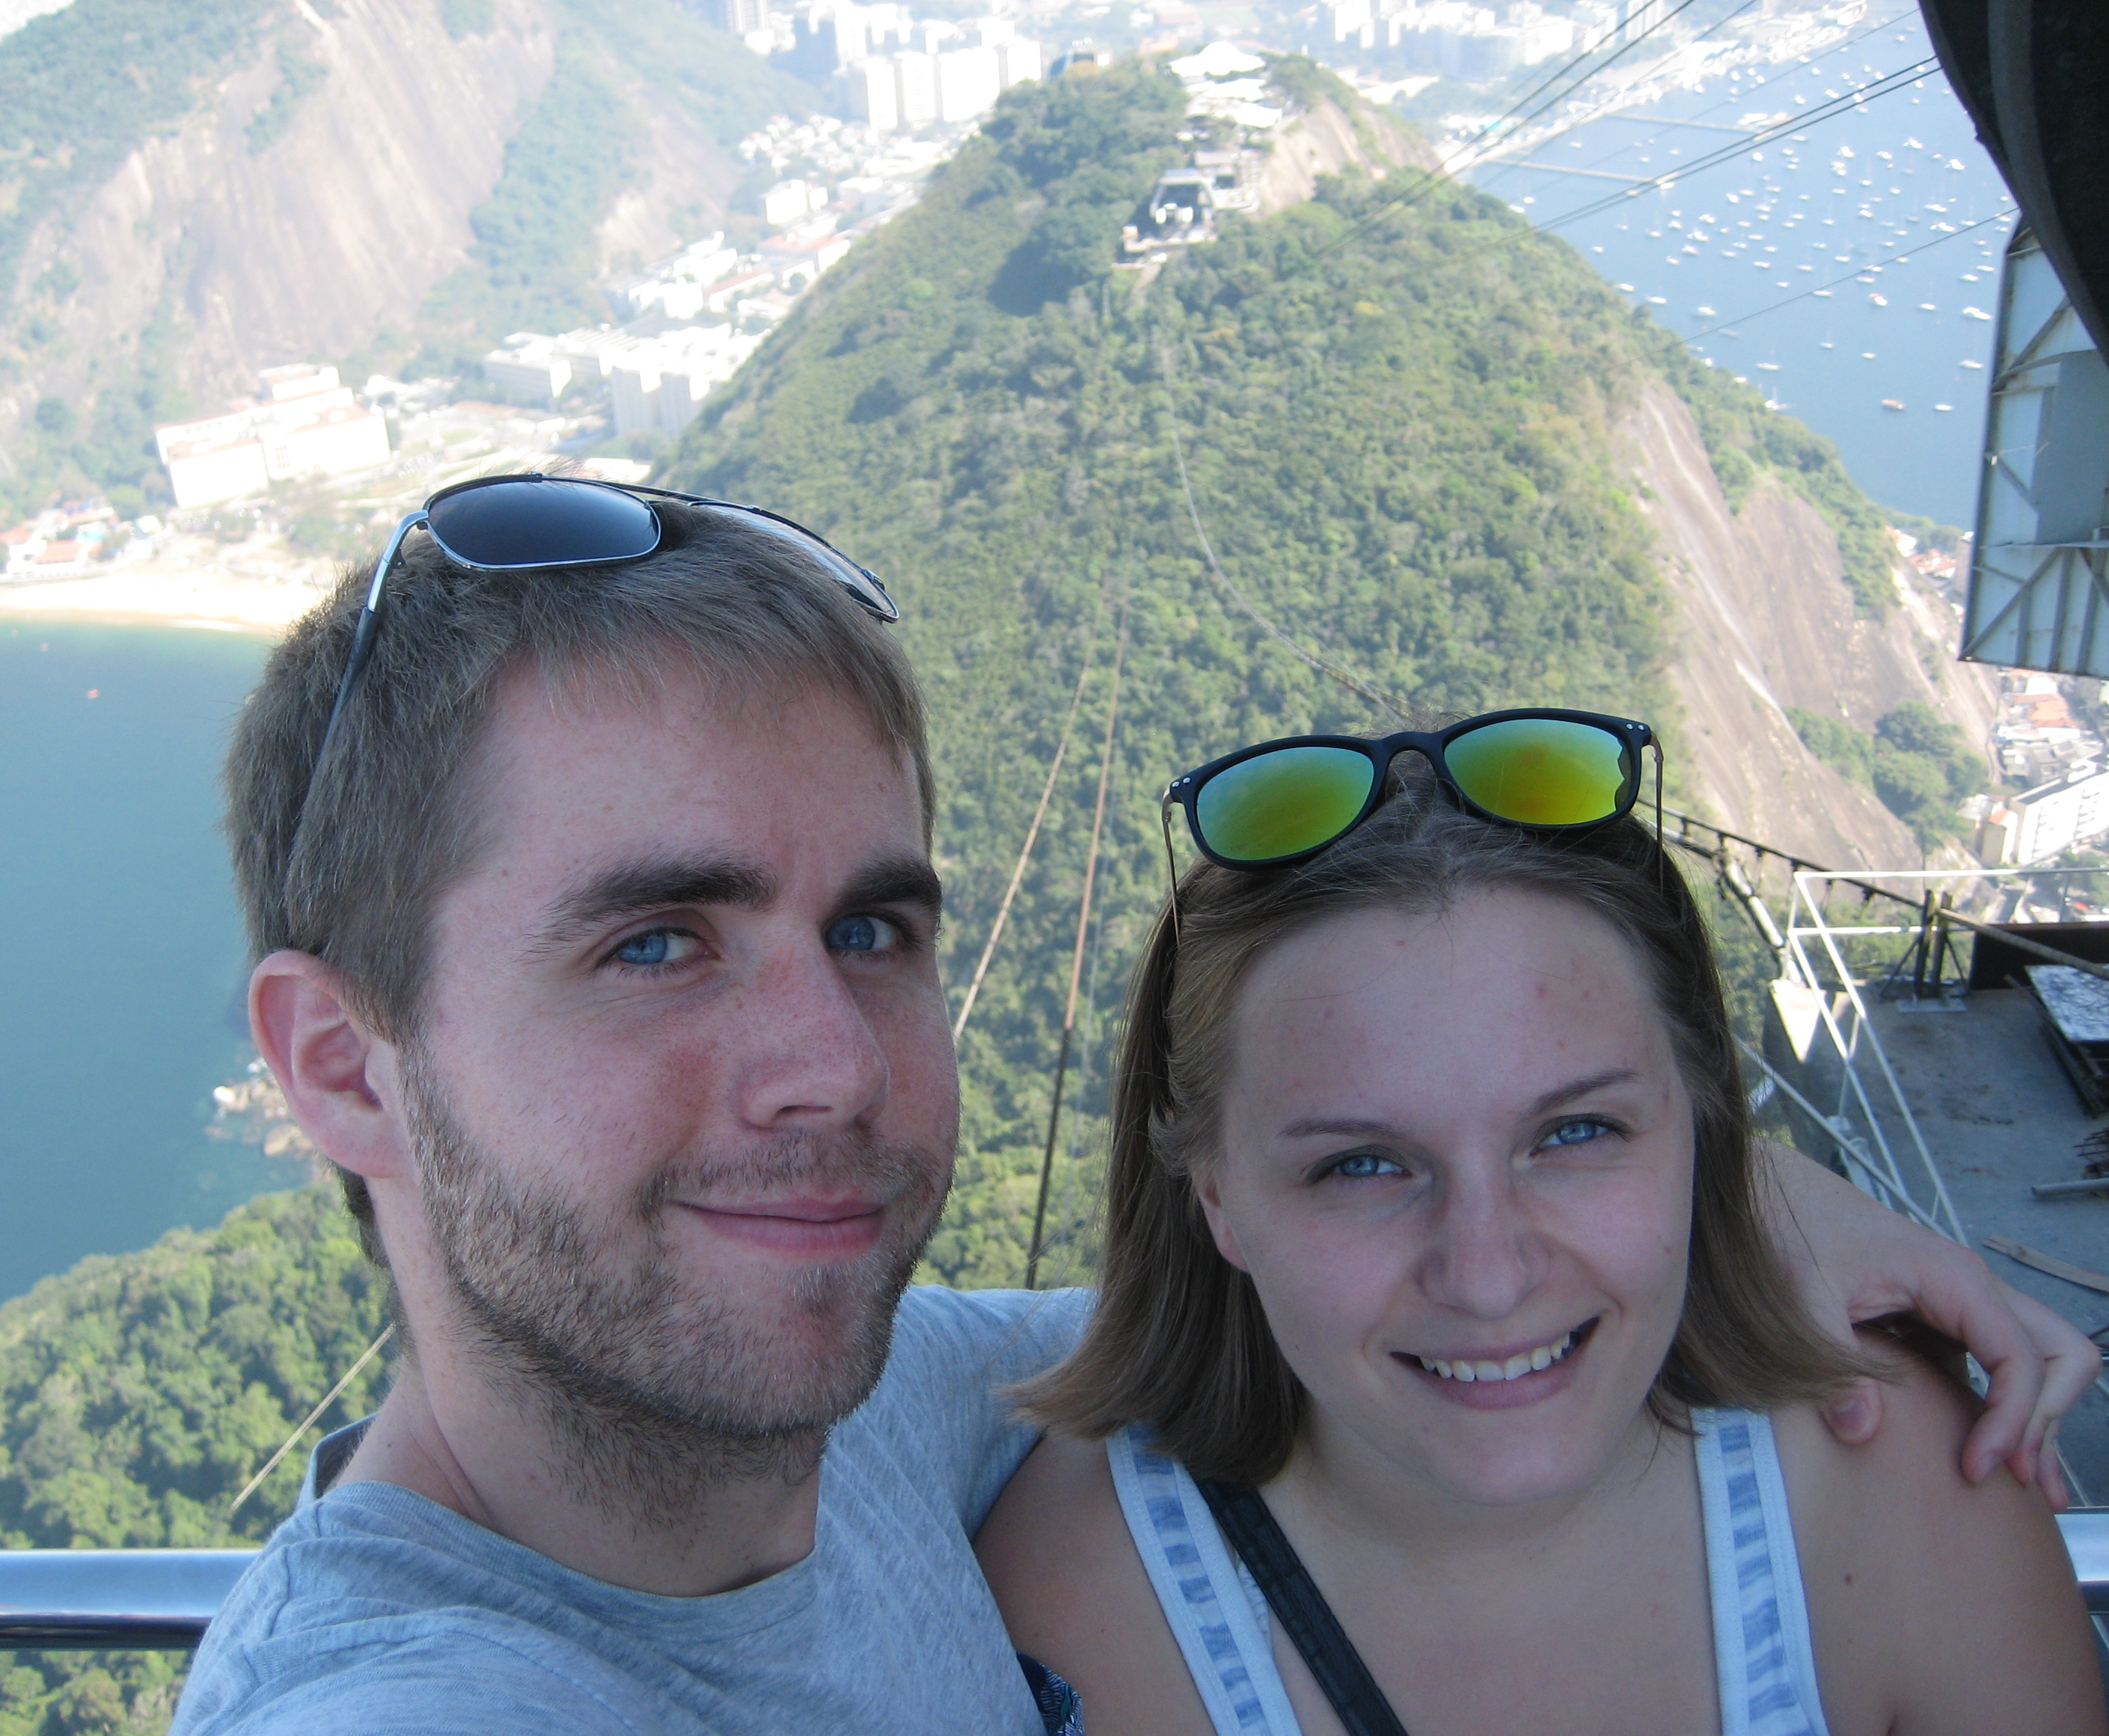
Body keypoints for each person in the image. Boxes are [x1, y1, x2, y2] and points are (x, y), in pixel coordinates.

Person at [171, 480, 2096, 1735]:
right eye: (656, 944)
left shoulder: (888, 1409)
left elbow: (1340, 1287)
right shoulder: (411, 1695)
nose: (835, 1062)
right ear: (342, 1064)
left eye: (870, 929)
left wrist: (1721, 1209)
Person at [977, 720, 2106, 1736]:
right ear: (1216, 1196)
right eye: (1360, 1165)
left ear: (1700, 1123)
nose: (1488, 1276)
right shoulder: (1084, 1615)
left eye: (1575, 1134)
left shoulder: (1904, 1489)